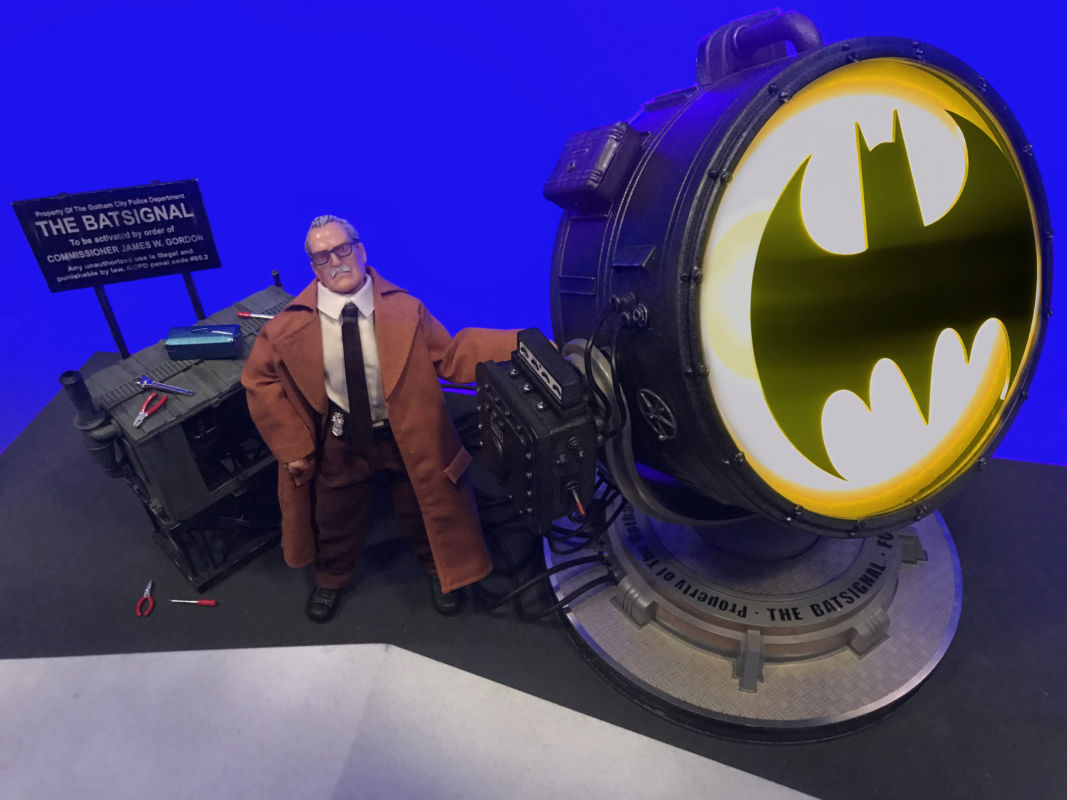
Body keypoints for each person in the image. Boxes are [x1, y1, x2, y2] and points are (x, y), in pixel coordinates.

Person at [241, 215, 517, 622]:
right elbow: (259, 380)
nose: (335, 262)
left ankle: (440, 569)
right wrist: (294, 445)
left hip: (403, 435)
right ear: (313, 266)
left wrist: (522, 345)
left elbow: (450, 356)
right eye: (322, 257)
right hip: (340, 438)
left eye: (342, 249)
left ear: (360, 249)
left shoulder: (405, 310)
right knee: (334, 515)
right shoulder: (291, 325)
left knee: (424, 506)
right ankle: (331, 577)